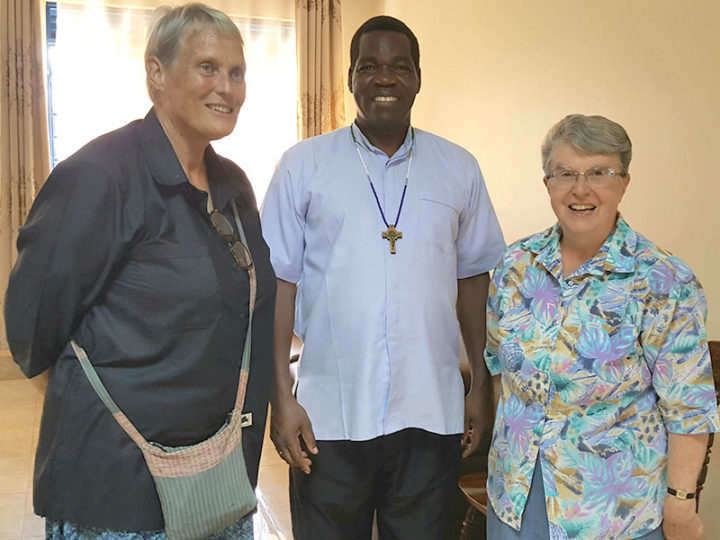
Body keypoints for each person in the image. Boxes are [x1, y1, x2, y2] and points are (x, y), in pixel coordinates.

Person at [4, 4, 275, 539]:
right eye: (207, 67)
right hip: (117, 492)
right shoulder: (98, 177)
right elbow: (32, 332)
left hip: (216, 482)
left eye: (236, 71)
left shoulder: (234, 186)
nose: (227, 87)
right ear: (156, 73)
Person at [260, 15, 505, 540]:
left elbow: (474, 281)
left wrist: (482, 387)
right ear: (350, 77)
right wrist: (282, 396)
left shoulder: (458, 168)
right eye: (369, 66)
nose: (384, 78)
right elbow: (278, 285)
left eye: (399, 66)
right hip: (328, 414)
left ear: (418, 77)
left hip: (431, 411)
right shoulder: (303, 166)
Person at [484, 114, 720, 540]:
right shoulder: (516, 266)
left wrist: (681, 506)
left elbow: (689, 408)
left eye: (599, 172)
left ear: (624, 183)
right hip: (515, 499)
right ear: (548, 184)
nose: (581, 188)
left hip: (614, 515)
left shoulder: (663, 279)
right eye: (565, 173)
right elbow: (499, 364)